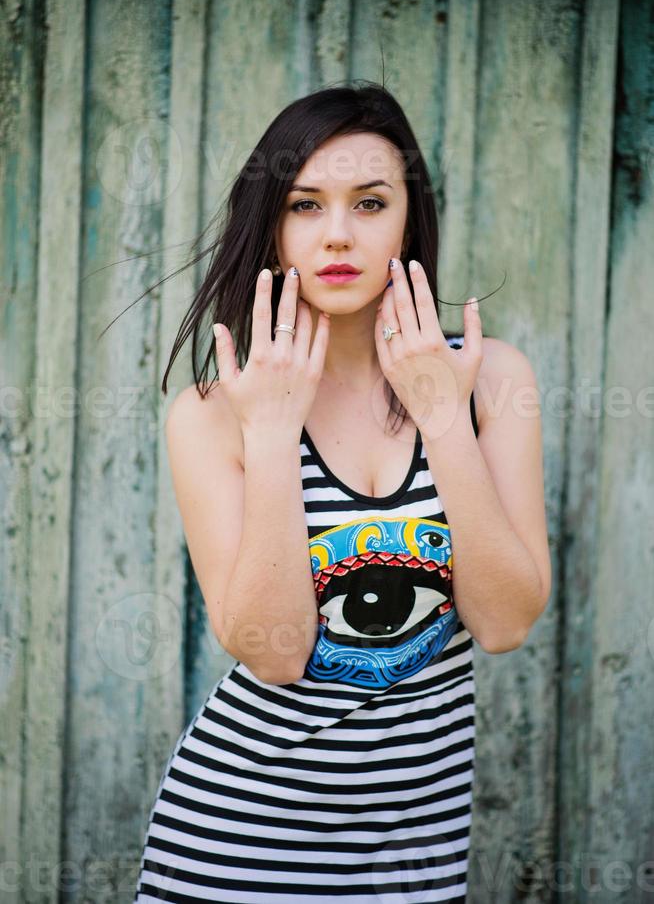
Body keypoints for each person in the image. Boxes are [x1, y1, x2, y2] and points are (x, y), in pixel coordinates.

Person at [132, 82, 551, 902]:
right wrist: (274, 432)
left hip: (414, 851)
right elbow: (275, 651)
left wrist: (441, 414)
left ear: (408, 219)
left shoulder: (490, 379)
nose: (336, 235)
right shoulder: (217, 415)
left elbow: (504, 623)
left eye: (368, 203)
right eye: (303, 205)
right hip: (235, 843)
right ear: (273, 226)